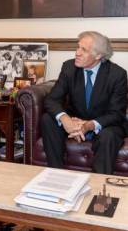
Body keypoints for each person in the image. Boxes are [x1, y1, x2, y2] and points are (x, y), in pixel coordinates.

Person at [41, 31, 127, 175]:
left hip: (104, 125)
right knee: (48, 119)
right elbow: (51, 99)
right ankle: (56, 175)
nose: (77, 53)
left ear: (98, 55)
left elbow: (116, 114)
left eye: (84, 50)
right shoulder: (69, 68)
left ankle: (98, 184)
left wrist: (88, 125)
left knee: (109, 135)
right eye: (78, 47)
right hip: (75, 120)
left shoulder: (117, 74)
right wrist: (66, 120)